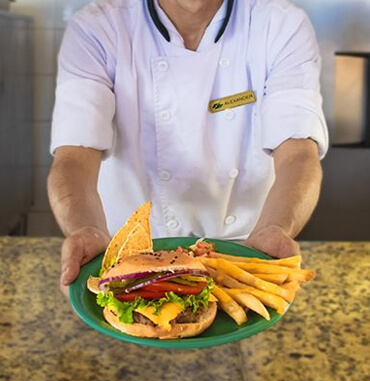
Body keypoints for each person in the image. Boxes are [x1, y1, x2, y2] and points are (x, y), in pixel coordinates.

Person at [48, 0, 328, 295]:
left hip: (245, 258)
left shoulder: (280, 25)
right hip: (126, 263)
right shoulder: (98, 28)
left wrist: (277, 229)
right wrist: (85, 230)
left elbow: (298, 153)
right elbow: (74, 157)